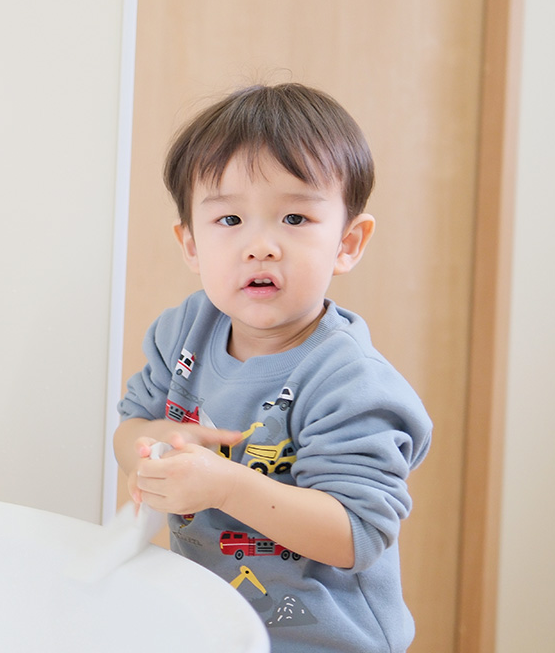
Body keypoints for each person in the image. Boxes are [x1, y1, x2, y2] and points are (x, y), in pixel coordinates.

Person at [115, 83, 432, 653]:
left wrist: (224, 485)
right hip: (216, 628)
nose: (260, 245)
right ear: (191, 244)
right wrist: (153, 448)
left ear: (348, 242)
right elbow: (131, 429)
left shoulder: (350, 381)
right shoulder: (184, 331)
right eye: (230, 219)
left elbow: (355, 533)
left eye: (294, 217)